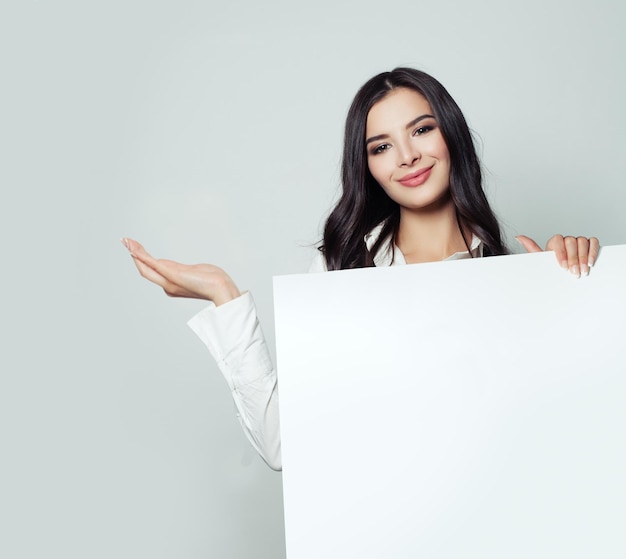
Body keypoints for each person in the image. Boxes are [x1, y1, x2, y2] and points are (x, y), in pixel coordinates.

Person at [122, 68, 600, 472]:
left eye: (421, 130)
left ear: (450, 134)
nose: (407, 156)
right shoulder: (339, 272)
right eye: (380, 147)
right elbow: (284, 445)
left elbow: (561, 435)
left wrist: (569, 289)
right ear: (367, 166)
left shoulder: (517, 275)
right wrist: (223, 296)